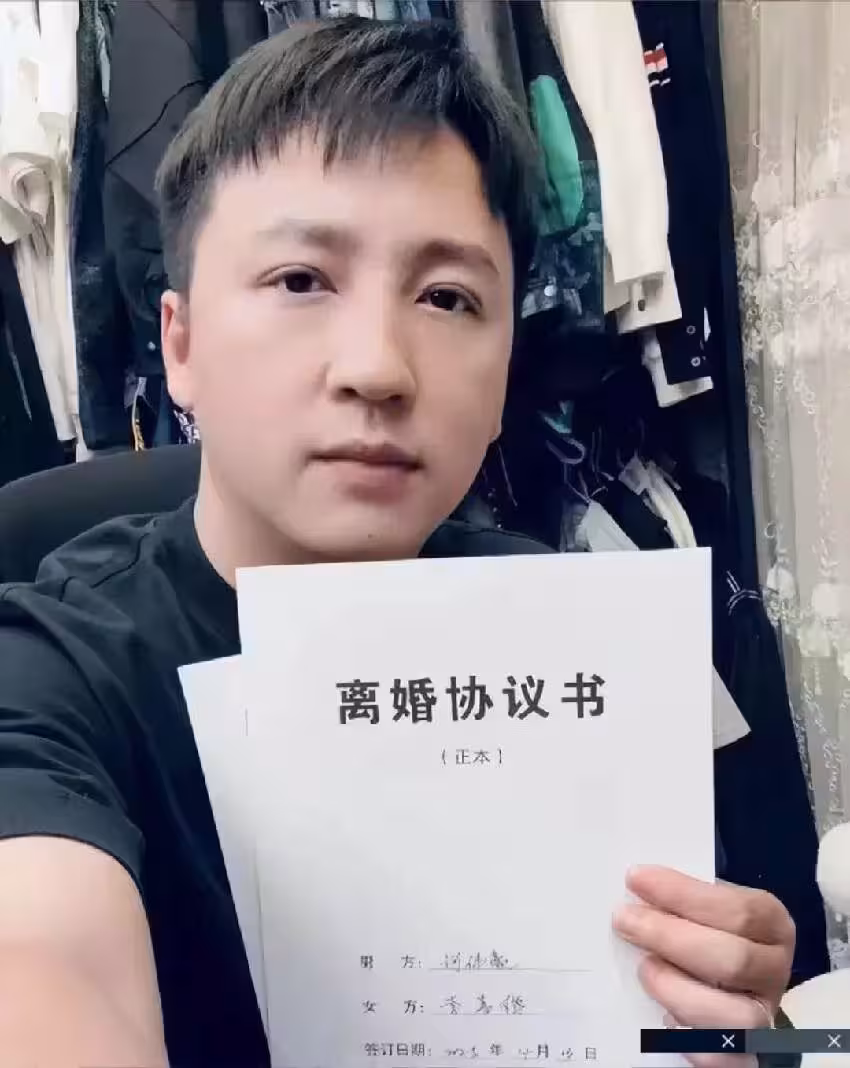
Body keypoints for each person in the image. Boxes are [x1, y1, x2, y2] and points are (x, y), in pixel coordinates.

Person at [0, 18, 794, 1068]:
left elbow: (748, 1027)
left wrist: (753, 1030)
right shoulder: (49, 674)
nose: (377, 367)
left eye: (448, 298)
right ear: (178, 346)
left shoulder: (571, 629)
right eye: (300, 280)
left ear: (508, 362)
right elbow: (41, 953)